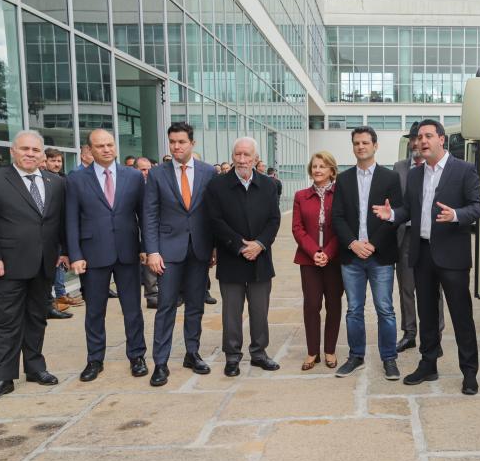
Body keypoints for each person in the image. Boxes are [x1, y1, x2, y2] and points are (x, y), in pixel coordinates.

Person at [373, 119, 480, 395]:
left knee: (461, 315)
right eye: (419, 137)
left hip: (452, 255)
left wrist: (456, 215)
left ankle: (469, 372)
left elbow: (478, 207)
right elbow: (408, 211)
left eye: (428, 136)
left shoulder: (464, 170)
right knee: (427, 314)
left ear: (442, 139)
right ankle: (429, 363)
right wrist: (393, 215)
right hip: (422, 253)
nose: (422, 141)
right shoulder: (415, 174)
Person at [0, 130, 68, 404]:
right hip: (7, 266)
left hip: (43, 265)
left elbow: (58, 222)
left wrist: (63, 252)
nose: (30, 154)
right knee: (7, 322)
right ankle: (3, 377)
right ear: (13, 151)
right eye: (24, 149)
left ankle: (35, 368)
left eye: (35, 150)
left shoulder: (55, 182)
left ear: (43, 154)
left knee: (37, 317)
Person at [66, 129, 148, 382]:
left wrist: (145, 247)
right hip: (93, 255)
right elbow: (70, 220)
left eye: (110, 144)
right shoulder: (77, 179)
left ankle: (137, 356)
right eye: (99, 146)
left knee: (133, 308)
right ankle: (94, 360)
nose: (106, 149)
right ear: (89, 149)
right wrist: (75, 254)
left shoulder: (133, 176)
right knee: (94, 311)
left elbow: (144, 214)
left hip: (128, 252)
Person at [144, 122, 216, 386]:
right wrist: (152, 251)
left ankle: (192, 353)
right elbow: (150, 214)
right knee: (166, 307)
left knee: (195, 306)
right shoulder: (157, 174)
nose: (176, 147)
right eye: (172, 142)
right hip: (168, 251)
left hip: (198, 250)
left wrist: (214, 248)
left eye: (181, 142)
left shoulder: (208, 172)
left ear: (192, 143)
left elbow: (213, 214)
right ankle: (160, 363)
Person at [205, 137, 281, 376]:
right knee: (231, 312)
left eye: (247, 155)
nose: (242, 159)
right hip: (231, 258)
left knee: (260, 310)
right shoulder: (217, 185)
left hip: (260, 258)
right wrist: (239, 245)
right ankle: (232, 356)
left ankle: (259, 353)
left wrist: (259, 244)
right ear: (232, 156)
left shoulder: (269, 185)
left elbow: (274, 219)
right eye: (238, 154)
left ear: (255, 158)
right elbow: (215, 220)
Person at [331, 126, 402, 380]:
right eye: (356, 143)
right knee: (354, 309)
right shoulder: (344, 178)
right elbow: (336, 216)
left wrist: (372, 243)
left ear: (375, 146)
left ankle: (389, 358)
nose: (361, 147)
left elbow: (394, 215)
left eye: (365, 142)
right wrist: (353, 243)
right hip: (351, 256)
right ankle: (356, 356)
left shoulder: (390, 178)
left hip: (380, 255)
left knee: (385, 309)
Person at [392, 122, 443, 352]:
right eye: (413, 138)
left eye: (421, 137)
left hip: (433, 237)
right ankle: (409, 332)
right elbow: (395, 202)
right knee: (406, 287)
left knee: (435, 289)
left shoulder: (439, 168)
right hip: (406, 235)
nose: (416, 142)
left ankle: (436, 333)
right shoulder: (399, 167)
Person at [292, 151, 343, 370]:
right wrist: (315, 252)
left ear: (332, 170)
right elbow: (297, 228)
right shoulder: (301, 195)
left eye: (322, 166)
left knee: (334, 304)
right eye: (314, 166)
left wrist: (328, 253)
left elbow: (343, 226)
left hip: (335, 259)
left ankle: (330, 350)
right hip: (308, 259)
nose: (318, 170)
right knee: (312, 305)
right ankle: (313, 351)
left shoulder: (342, 194)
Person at [44, 148, 81, 318]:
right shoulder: (42, 180)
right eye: (53, 161)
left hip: (61, 229)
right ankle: (51, 301)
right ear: (45, 161)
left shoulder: (64, 179)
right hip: (47, 232)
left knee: (60, 263)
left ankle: (60, 295)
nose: (57, 164)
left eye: (59, 161)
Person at [135, 157, 158, 308]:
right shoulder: (130, 186)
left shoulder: (154, 185)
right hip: (129, 234)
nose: (146, 172)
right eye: (143, 169)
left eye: (149, 169)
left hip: (148, 232)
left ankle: (153, 296)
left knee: (150, 264)